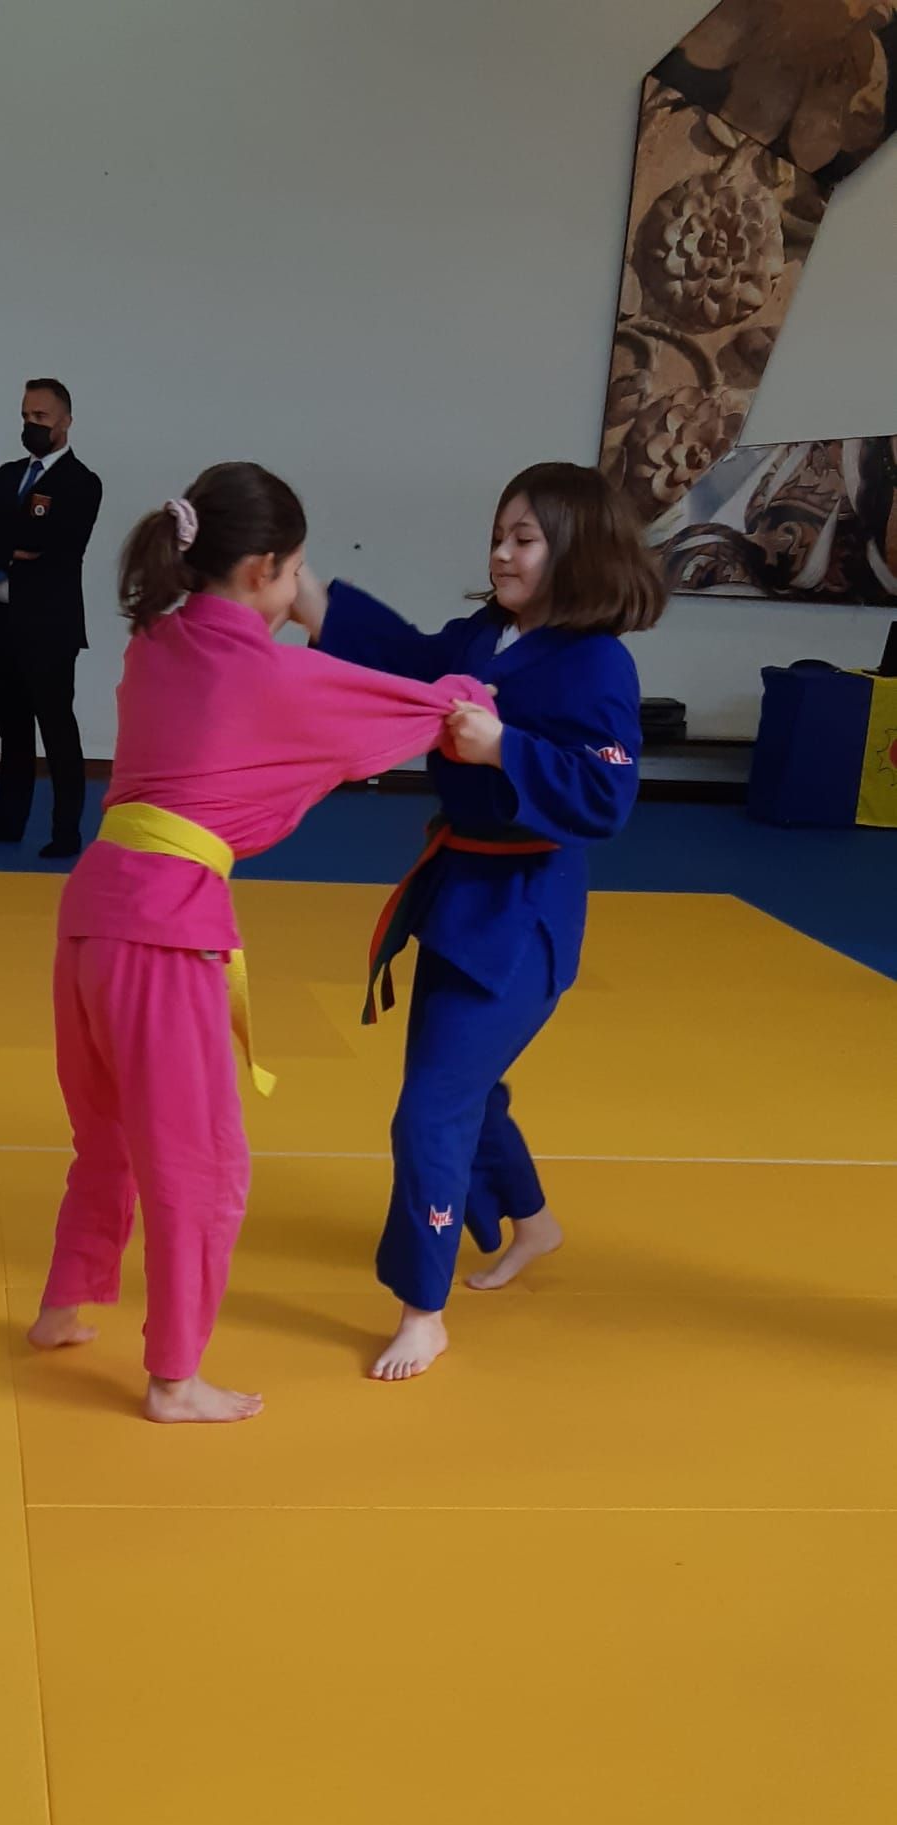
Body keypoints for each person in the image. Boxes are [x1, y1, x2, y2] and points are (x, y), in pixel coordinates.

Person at [25, 461, 494, 1424]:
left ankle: (63, 1306)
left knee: (106, 1133)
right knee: (199, 1164)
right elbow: (412, 706)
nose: (297, 591)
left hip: (92, 913)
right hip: (166, 931)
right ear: (262, 570)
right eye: (295, 573)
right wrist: (472, 694)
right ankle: (174, 1379)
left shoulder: (155, 643)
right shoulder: (269, 674)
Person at [293, 463, 666, 1382]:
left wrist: (506, 748)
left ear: (576, 550)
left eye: (524, 539)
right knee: (466, 1087)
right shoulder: (482, 635)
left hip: (525, 912)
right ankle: (532, 1221)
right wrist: (306, 596)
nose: (502, 553)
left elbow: (608, 795)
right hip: (460, 892)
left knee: (432, 1109)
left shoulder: (597, 662)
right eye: (499, 534)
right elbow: (409, 661)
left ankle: (423, 1309)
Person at [0, 379, 102, 858]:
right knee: (13, 727)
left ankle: (66, 831)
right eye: (26, 417)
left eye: (40, 417)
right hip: (2, 617)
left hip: (49, 625)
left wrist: (6, 538)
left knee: (57, 728)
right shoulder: (8, 474)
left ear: (65, 421)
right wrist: (11, 547)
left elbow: (55, 544)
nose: (31, 425)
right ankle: (8, 822)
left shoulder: (81, 482)